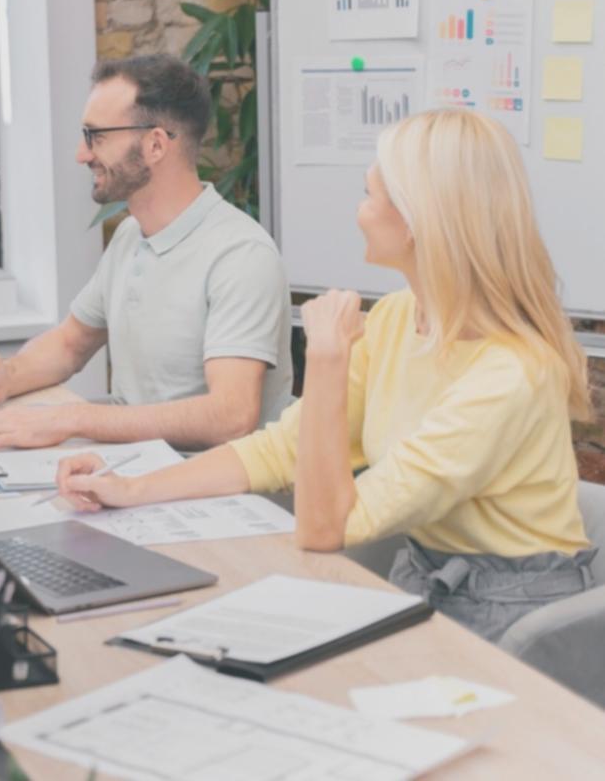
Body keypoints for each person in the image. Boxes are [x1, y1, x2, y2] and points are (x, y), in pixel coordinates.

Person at [56, 109, 594, 641]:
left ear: (415, 221)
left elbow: (324, 529)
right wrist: (132, 489)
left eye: (369, 195)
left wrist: (328, 359)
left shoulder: (511, 374)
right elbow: (281, 450)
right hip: (427, 578)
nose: (358, 212)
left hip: (521, 621)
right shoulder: (397, 318)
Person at [0, 54, 293, 452]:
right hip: (136, 474)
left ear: (155, 144)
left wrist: (75, 418)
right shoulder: (130, 236)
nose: (82, 153)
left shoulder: (240, 255)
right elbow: (71, 343)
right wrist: (3, 378)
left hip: (214, 492)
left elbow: (231, 417)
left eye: (97, 136)